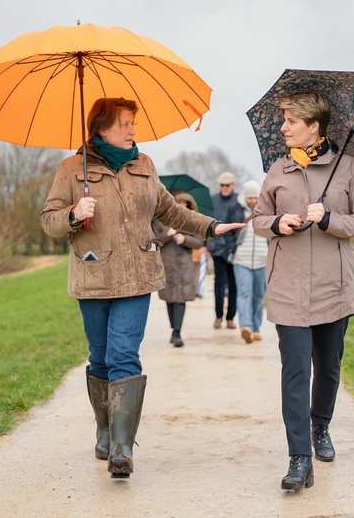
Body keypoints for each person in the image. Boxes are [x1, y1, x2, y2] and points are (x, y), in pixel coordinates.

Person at [40, 98, 245, 479]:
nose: (132, 129)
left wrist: (211, 226)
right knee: (100, 357)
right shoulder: (71, 170)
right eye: (125, 123)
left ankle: (122, 448)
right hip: (93, 277)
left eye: (132, 122)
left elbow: (170, 211)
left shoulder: (145, 165)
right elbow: (49, 220)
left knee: (123, 354)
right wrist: (73, 214)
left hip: (137, 275)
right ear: (102, 128)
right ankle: (104, 429)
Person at [251, 90, 354, 491]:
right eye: (283, 120)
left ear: (314, 126)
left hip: (332, 289)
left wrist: (329, 219)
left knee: (328, 366)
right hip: (287, 287)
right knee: (294, 371)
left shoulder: (348, 168)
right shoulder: (278, 169)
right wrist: (277, 223)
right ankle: (299, 459)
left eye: (291, 121)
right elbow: (258, 219)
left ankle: (320, 426)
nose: (283, 127)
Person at [154, 192, 204, 347]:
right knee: (170, 298)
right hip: (167, 264)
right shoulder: (161, 221)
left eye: (185, 204)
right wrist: (168, 234)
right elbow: (154, 241)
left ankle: (177, 333)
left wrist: (185, 239)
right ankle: (174, 329)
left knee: (180, 298)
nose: (182, 207)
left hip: (184, 265)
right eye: (179, 203)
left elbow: (200, 243)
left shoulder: (193, 222)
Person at [206, 171, 244, 329]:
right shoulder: (213, 200)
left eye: (227, 185)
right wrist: (205, 245)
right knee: (219, 283)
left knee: (234, 284)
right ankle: (218, 316)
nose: (224, 188)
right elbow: (206, 222)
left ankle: (230, 318)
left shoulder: (239, 200)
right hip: (217, 248)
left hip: (234, 247)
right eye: (222, 185)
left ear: (233, 185)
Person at [232, 180, 268, 344]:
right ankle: (245, 326)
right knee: (244, 293)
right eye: (250, 198)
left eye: (255, 197)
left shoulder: (267, 210)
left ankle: (256, 328)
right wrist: (231, 250)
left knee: (259, 296)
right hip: (241, 260)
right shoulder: (236, 210)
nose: (253, 201)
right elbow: (227, 232)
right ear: (245, 198)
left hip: (262, 260)